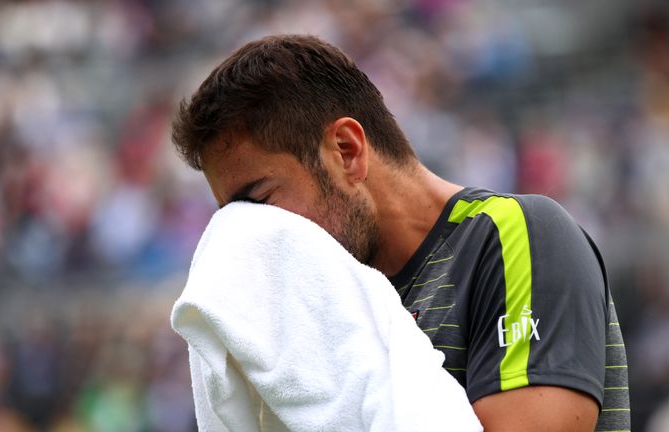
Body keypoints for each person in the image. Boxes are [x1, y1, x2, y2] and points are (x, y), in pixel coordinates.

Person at [171, 34, 630, 431]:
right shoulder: (327, 310)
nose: (254, 233)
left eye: (260, 200)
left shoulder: (515, 235)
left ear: (347, 151)